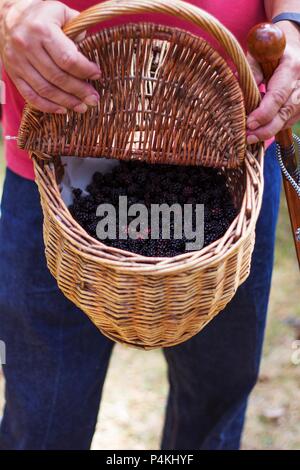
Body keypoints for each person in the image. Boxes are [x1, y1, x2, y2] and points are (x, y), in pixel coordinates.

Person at [0, 0, 299, 450]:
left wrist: (292, 23)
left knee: (214, 405)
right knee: (43, 421)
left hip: (231, 142)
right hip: (61, 147)